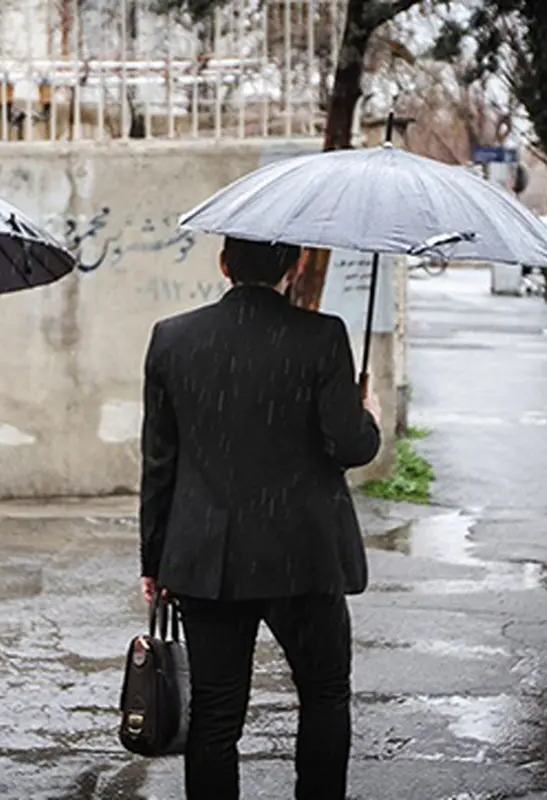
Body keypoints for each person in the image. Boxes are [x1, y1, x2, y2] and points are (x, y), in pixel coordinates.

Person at [138, 237, 381, 800]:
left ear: (224, 265)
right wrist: (367, 415)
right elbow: (348, 445)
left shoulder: (173, 338)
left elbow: (159, 462)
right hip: (304, 555)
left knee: (217, 714)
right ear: (296, 267)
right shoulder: (322, 337)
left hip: (207, 558)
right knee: (324, 694)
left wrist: (156, 559)